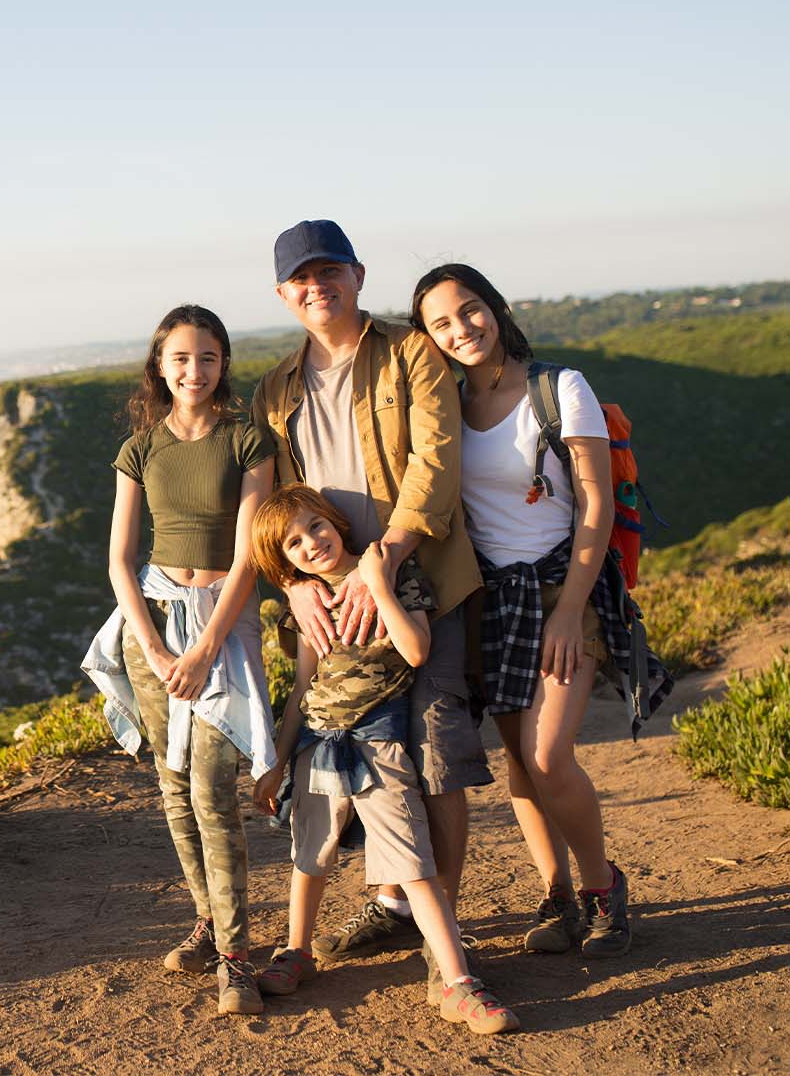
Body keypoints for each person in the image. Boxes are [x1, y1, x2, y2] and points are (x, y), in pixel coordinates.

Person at [249, 221, 491, 983]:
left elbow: (436, 461)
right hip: (329, 602)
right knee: (356, 757)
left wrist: (379, 563)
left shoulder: (410, 352)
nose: (316, 286)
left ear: (357, 275)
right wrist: (295, 585)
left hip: (421, 585)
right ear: (284, 294)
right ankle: (395, 904)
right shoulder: (274, 389)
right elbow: (275, 506)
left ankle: (441, 933)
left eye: (329, 271)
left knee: (435, 756)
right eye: (301, 278)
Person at [411, 263, 673, 957]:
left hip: (564, 588)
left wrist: (569, 611)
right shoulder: (444, 406)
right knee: (521, 766)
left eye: (470, 309)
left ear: (495, 308)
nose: (461, 329)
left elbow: (597, 503)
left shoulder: (558, 388)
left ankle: (602, 889)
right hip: (490, 599)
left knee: (548, 754)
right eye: (441, 323)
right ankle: (557, 895)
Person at [248, 484, 519, 1034]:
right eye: (294, 543)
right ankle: (297, 951)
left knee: (411, 861)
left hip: (379, 740)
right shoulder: (308, 600)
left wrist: (376, 583)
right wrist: (276, 762)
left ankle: (458, 982)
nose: (311, 543)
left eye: (315, 526)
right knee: (311, 855)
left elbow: (416, 650)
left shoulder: (393, 573)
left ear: (335, 520)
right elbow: (303, 688)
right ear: (285, 562)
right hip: (317, 740)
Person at [81, 305, 277, 1016]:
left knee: (212, 791)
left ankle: (237, 958)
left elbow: (249, 555)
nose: (196, 371)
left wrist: (204, 647)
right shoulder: (140, 449)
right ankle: (207, 922)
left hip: (221, 622)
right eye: (182, 358)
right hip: (156, 625)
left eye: (209, 358)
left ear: (224, 365)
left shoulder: (248, 440)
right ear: (160, 367)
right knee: (172, 785)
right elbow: (119, 560)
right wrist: (158, 647)